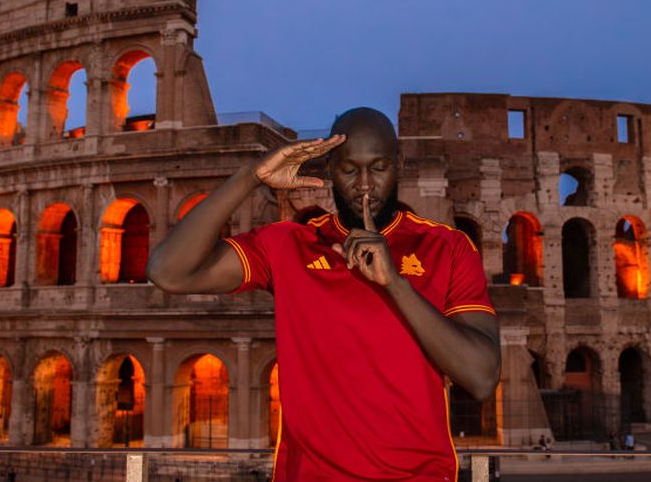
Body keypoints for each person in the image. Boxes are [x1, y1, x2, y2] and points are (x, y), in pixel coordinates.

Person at [148, 107, 501, 480]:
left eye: (379, 167)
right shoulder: (290, 244)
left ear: (399, 164)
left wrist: (396, 284)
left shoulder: (447, 247)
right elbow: (168, 272)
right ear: (330, 169)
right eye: (350, 170)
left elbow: (481, 377)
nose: (365, 183)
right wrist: (250, 177)